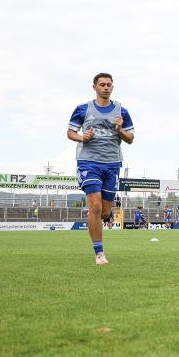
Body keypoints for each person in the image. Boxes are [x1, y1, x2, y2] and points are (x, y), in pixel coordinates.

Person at [67, 72, 134, 265]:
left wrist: (120, 129)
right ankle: (99, 253)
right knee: (95, 206)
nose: (105, 87)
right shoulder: (82, 109)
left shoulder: (122, 111)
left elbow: (130, 139)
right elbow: (70, 132)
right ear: (94, 87)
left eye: (109, 85)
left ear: (112, 87)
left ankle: (99, 215)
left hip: (112, 164)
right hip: (88, 162)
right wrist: (82, 137)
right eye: (102, 84)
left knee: (105, 212)